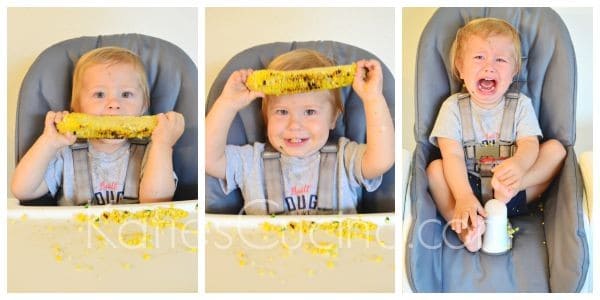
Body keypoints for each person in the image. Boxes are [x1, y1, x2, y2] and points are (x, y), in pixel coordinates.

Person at [427, 18, 566, 252]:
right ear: (460, 68)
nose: (489, 66)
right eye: (479, 57)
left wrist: (518, 170)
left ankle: (499, 204)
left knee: (556, 151)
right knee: (435, 170)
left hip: (512, 189)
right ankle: (466, 227)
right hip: (467, 186)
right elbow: (452, 155)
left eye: (500, 60)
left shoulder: (520, 104)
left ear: (514, 72)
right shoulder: (452, 107)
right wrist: (462, 196)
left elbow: (529, 144)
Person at [205, 49, 394, 214]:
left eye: (310, 112)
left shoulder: (345, 159)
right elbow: (208, 159)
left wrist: (372, 98)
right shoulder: (251, 162)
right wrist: (227, 104)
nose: (294, 125)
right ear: (266, 117)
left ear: (333, 118)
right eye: (282, 111)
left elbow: (382, 160)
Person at [11, 46, 185, 205]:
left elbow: (156, 201)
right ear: (77, 108)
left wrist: (163, 145)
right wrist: (48, 142)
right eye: (99, 94)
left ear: (143, 106)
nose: (113, 103)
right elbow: (23, 190)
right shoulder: (64, 151)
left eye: (126, 94)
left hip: (134, 233)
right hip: (74, 235)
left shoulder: (152, 150)